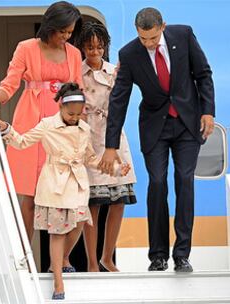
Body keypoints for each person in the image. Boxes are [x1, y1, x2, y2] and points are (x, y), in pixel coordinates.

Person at [99, 7, 215, 272]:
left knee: (185, 181)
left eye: (152, 39)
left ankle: (182, 254)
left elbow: (203, 75)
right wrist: (110, 145)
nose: (148, 44)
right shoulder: (129, 54)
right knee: (158, 183)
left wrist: (208, 111)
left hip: (187, 123)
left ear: (162, 26)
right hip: (155, 128)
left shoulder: (183, 35)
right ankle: (158, 255)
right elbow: (119, 99)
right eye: (143, 39)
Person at [0, 83, 130, 300]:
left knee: (79, 223)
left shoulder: (84, 128)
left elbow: (91, 159)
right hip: (55, 183)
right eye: (70, 113)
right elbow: (22, 142)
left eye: (78, 113)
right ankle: (58, 281)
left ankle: (61, 260)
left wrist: (115, 168)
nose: (75, 117)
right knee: (57, 232)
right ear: (60, 107)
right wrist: (7, 129)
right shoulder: (47, 124)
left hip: (77, 184)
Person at [0, 1, 83, 247]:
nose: (66, 37)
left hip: (62, 124)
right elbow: (9, 85)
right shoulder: (26, 48)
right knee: (32, 193)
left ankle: (61, 259)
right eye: (62, 31)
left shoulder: (75, 54)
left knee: (62, 192)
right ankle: (24, 251)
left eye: (70, 32)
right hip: (32, 120)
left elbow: (79, 93)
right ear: (50, 26)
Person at [76, 22, 137, 272]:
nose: (94, 52)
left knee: (119, 201)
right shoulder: (76, 73)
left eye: (99, 47)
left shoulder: (115, 71)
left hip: (114, 138)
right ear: (82, 47)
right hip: (89, 137)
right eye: (90, 47)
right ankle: (91, 262)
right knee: (94, 203)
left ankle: (107, 257)